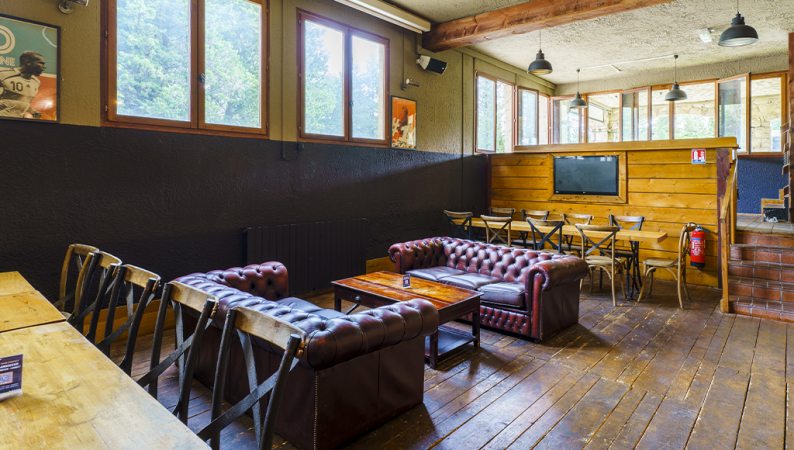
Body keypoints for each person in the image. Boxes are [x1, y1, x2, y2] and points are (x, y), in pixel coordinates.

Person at [0, 51, 46, 119]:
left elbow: (21, 102)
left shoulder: (36, 82)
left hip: (19, 121)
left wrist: (32, 112)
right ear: (28, 62)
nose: (44, 67)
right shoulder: (3, 75)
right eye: (41, 63)